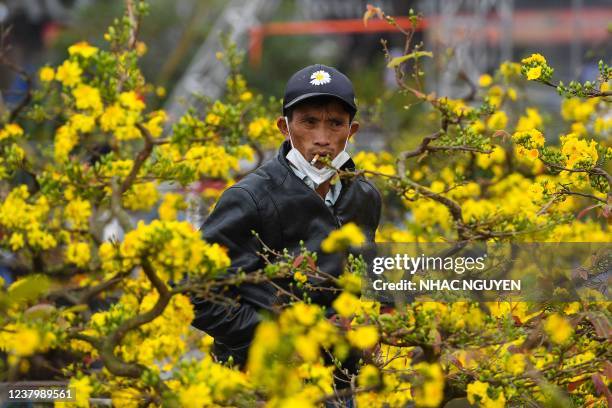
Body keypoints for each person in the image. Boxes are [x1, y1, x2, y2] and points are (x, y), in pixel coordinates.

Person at [190, 64, 382, 368]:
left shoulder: (365, 196)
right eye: (309, 122)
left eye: (335, 123)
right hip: (260, 380)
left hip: (339, 380)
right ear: (284, 127)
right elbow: (200, 293)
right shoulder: (250, 197)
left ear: (352, 130)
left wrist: (373, 322)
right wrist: (273, 339)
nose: (322, 138)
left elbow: (364, 276)